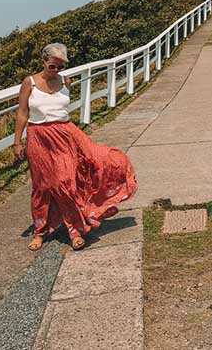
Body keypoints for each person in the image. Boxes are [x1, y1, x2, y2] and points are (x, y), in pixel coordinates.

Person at [13, 43, 137, 251]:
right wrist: (17, 141)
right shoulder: (30, 83)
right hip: (38, 137)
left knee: (66, 182)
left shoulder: (65, 81)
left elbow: (64, 110)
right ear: (43, 62)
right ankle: (39, 232)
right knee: (42, 187)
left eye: (60, 67)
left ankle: (75, 230)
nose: (56, 71)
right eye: (52, 66)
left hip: (65, 134)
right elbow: (22, 113)